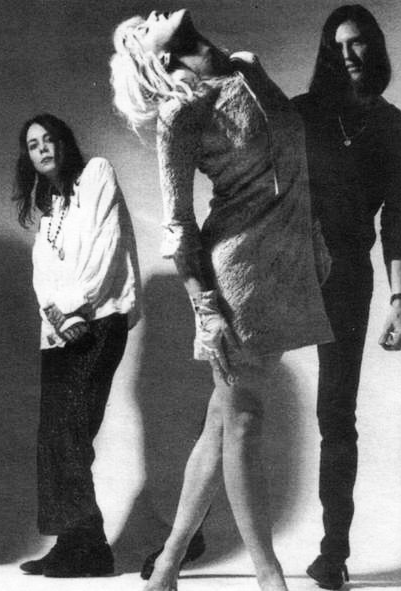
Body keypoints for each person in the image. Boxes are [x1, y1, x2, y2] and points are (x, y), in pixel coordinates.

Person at [110, 9, 333, 591]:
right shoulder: (181, 112)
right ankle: (269, 575)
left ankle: (166, 566)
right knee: (243, 418)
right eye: (143, 26)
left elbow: (292, 160)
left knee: (222, 421)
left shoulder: (247, 67)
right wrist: (204, 309)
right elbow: (178, 223)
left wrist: (313, 238)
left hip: (285, 262)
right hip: (236, 276)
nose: (153, 12)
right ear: (158, 59)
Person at [292, 5, 401, 590]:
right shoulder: (304, 112)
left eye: (357, 42)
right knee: (234, 404)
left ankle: (333, 554)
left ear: (374, 46)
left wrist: (400, 297)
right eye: (337, 47)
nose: (349, 54)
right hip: (286, 267)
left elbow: (399, 222)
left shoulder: (393, 126)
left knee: (336, 416)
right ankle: (190, 537)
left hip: (348, 275)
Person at [12, 113, 141, 577]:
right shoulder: (49, 210)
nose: (43, 149)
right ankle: (72, 543)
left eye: (49, 139)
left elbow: (106, 248)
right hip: (58, 332)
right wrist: (57, 314)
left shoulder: (97, 174)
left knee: (70, 431)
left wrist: (72, 308)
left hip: (99, 320)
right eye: (33, 145)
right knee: (56, 437)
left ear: (65, 142)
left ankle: (92, 549)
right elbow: (41, 276)